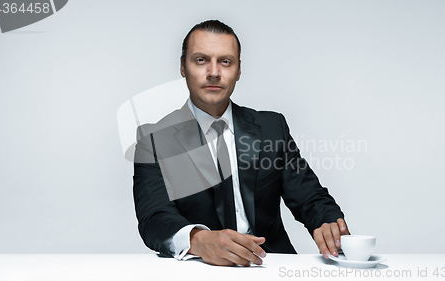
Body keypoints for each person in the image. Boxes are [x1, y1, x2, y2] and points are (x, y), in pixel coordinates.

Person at [133, 19, 349, 267]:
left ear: (238, 70)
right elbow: (154, 217)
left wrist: (329, 223)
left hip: (270, 265)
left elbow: (310, 197)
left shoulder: (271, 128)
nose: (214, 72)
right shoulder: (154, 140)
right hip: (201, 268)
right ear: (183, 67)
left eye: (225, 62)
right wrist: (200, 240)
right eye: (201, 60)